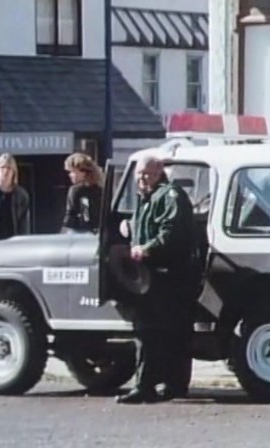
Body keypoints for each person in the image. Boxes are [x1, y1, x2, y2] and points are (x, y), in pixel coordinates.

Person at [115, 156, 198, 405]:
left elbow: (170, 231)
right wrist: (129, 226)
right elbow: (148, 225)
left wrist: (147, 249)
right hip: (153, 276)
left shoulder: (169, 195)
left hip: (169, 275)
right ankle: (170, 385)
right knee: (164, 333)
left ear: (160, 172)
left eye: (147, 174)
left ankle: (146, 386)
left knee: (152, 332)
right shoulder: (146, 198)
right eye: (139, 175)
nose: (142, 179)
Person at [62, 152, 103, 233]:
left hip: (79, 233)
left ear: (83, 172)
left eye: (72, 171)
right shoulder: (100, 190)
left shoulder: (75, 190)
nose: (70, 175)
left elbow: (70, 215)